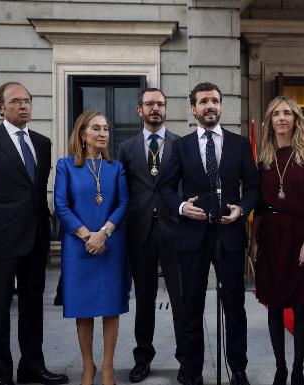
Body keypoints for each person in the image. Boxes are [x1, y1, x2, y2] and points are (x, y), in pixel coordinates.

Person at [0, 82, 68, 385]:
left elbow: (35, 191)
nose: (24, 106)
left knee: (33, 307)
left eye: (28, 101)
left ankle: (32, 367)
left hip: (35, 237)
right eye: (16, 101)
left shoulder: (42, 142)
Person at [159, 82, 259, 385]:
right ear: (193, 109)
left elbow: (253, 187)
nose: (210, 106)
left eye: (214, 100)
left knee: (234, 306)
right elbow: (164, 187)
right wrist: (180, 207)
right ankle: (192, 369)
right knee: (191, 305)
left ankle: (237, 368)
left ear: (220, 106)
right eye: (203, 102)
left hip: (229, 237)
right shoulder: (181, 145)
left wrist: (241, 209)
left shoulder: (240, 144)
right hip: (192, 236)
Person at [250, 96, 304, 385]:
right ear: (269, 122)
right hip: (271, 237)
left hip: (301, 235)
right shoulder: (264, 160)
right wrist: (254, 240)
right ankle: (280, 368)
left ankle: (298, 369)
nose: (281, 118)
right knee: (275, 305)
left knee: (300, 305)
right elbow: (257, 205)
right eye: (276, 114)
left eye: (287, 113)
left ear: (296, 119)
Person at [54, 111, 129, 385]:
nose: (103, 133)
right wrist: (89, 237)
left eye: (106, 128)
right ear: (82, 134)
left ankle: (108, 367)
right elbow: (61, 205)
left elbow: (123, 204)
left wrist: (104, 234)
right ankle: (89, 366)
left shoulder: (116, 167)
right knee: (82, 308)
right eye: (96, 128)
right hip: (78, 247)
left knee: (111, 307)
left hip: (111, 245)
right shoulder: (65, 166)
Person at [118, 88, 185, 383]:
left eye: (160, 104)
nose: (155, 108)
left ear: (166, 109)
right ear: (139, 110)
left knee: (181, 299)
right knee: (144, 301)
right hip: (140, 231)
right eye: (149, 104)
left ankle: (187, 360)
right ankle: (142, 358)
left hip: (175, 231)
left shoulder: (181, 145)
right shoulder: (126, 148)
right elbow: (122, 191)